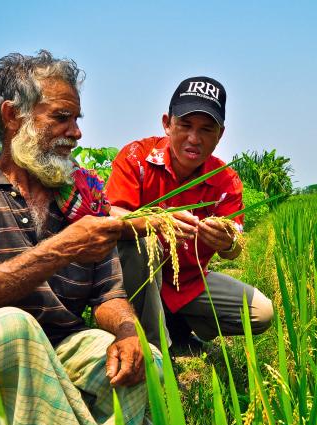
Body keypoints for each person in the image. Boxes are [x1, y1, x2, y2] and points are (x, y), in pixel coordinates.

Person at [0, 51, 215, 425]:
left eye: (77, 119)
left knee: (146, 362)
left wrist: (129, 334)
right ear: (12, 116)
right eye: (62, 118)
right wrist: (58, 250)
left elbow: (110, 295)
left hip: (64, 344)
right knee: (10, 329)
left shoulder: (83, 194)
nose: (76, 133)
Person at [105, 76, 274, 349]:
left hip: (189, 282)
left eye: (207, 130)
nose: (194, 139)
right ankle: (152, 348)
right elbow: (111, 214)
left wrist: (226, 241)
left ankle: (179, 323)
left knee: (261, 313)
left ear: (219, 135)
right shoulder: (136, 158)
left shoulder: (225, 181)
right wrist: (156, 222)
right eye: (185, 125)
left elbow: (234, 250)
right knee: (142, 244)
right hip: (140, 282)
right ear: (167, 124)